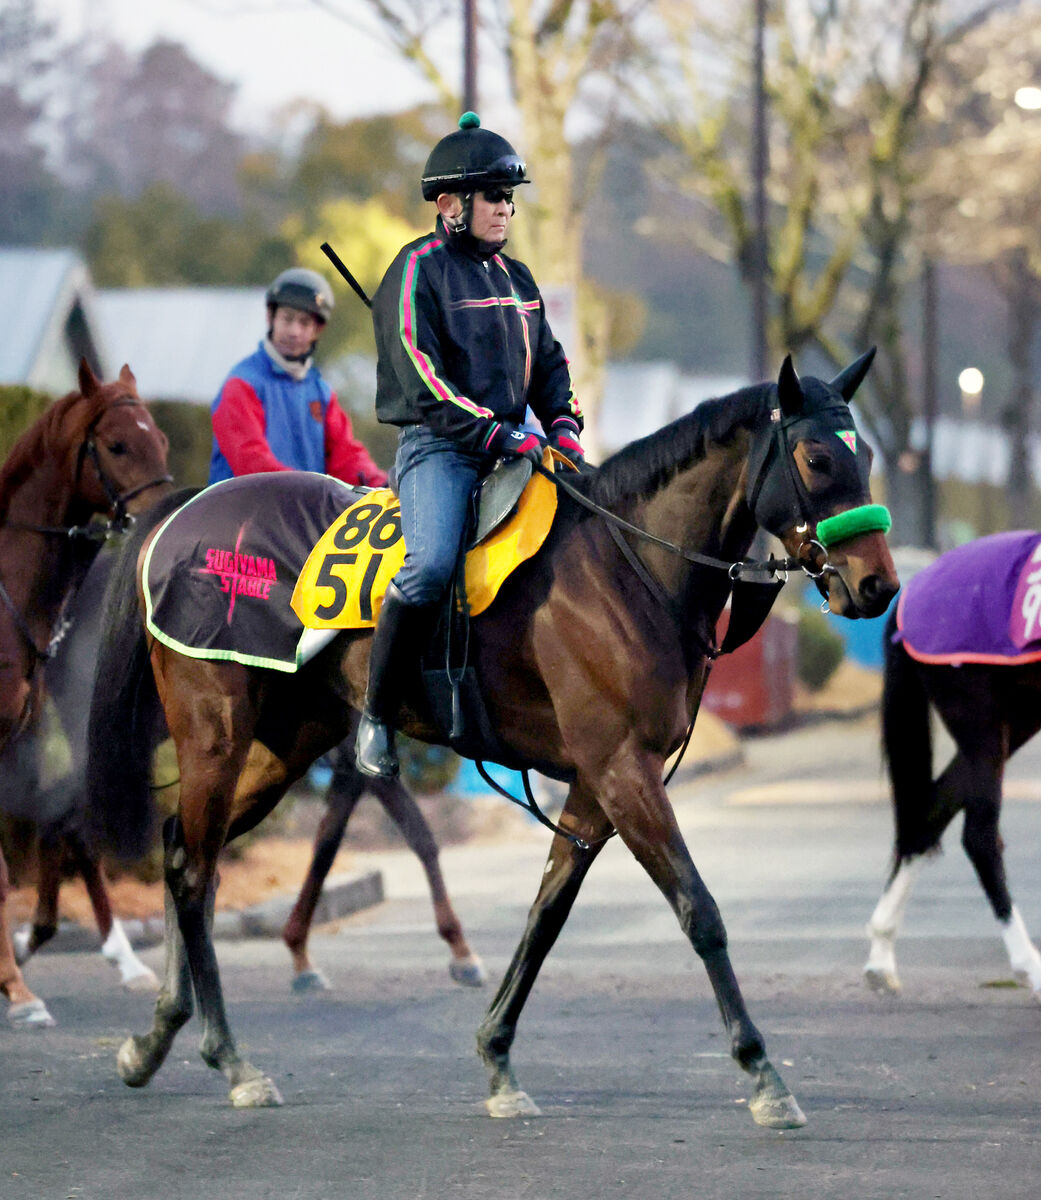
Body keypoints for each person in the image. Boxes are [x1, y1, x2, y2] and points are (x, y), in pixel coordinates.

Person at [355, 111, 585, 779]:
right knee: (428, 567)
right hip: (442, 449)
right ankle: (377, 714)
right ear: (450, 204)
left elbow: (550, 365)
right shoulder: (414, 271)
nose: (505, 209)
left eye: (509, 197)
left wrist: (561, 427)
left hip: (517, 446)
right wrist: (497, 433)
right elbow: (422, 380)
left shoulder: (518, 280)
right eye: (493, 196)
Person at [209, 267, 386, 487]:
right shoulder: (242, 384)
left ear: (317, 330)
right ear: (270, 318)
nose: (294, 331)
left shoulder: (321, 392)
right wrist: (309, 490)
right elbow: (252, 463)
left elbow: (346, 456)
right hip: (241, 512)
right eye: (287, 318)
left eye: (304, 323)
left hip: (301, 510)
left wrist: (383, 485)